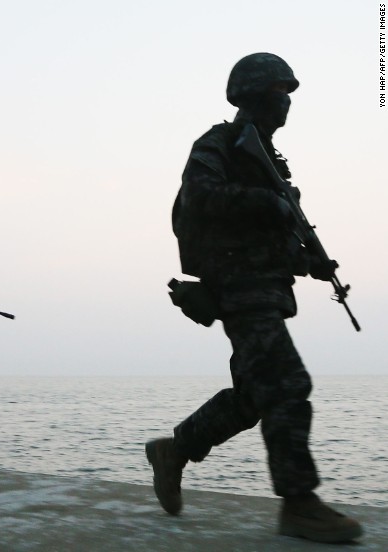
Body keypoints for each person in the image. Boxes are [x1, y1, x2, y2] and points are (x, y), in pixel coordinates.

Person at [147, 53, 363, 543]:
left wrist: (312, 262)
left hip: (264, 287)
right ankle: (300, 504)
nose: (288, 103)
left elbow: (273, 238)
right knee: (287, 385)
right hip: (238, 289)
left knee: (253, 396)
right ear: (259, 96)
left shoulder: (267, 158)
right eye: (281, 93)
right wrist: (270, 203)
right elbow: (201, 197)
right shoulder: (220, 143)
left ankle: (174, 451)